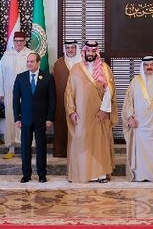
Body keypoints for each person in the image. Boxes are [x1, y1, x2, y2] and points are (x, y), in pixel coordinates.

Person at [64, 41, 116, 183]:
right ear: (84, 52)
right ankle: (83, 172)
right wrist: (71, 111)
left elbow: (109, 91)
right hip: (81, 115)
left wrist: (104, 110)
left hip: (99, 114)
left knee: (99, 143)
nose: (91, 54)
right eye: (88, 51)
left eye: (93, 51)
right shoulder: (76, 69)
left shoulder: (104, 69)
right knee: (82, 141)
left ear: (96, 52)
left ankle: (100, 175)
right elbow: (69, 92)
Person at [13, 52, 56, 183]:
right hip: (25, 119)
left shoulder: (48, 77)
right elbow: (16, 100)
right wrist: (17, 118)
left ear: (38, 62)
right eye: (28, 62)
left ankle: (42, 174)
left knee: (41, 147)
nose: (29, 64)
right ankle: (26, 174)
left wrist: (50, 118)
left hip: (41, 119)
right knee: (25, 147)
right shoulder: (20, 78)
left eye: (32, 61)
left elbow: (52, 100)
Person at [0, 31, 32, 158]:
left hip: (26, 93)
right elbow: (0, 74)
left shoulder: (30, 54)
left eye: (21, 41)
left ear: (25, 41)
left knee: (26, 119)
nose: (18, 43)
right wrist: (0, 92)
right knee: (11, 118)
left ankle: (26, 148)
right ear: (13, 42)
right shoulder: (7, 55)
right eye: (16, 41)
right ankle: (11, 149)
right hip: (9, 92)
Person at [50, 40, 80, 157]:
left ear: (76, 49)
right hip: (61, 102)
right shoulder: (58, 64)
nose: (70, 50)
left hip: (79, 102)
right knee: (61, 125)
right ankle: (61, 151)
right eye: (68, 48)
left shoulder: (82, 64)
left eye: (72, 48)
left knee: (78, 125)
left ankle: (78, 152)